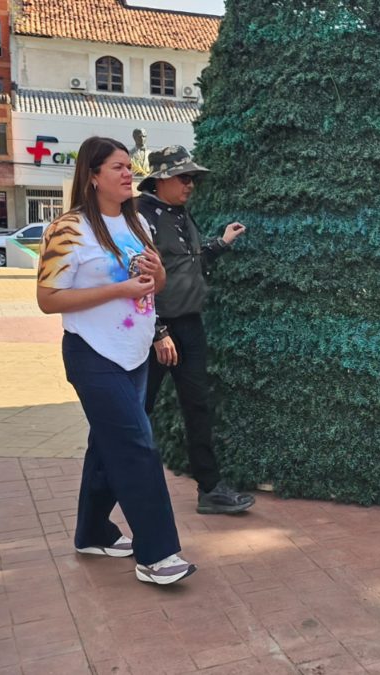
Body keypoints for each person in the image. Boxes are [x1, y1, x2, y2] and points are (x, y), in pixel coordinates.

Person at [36, 136, 196, 585]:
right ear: (92, 176)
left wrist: (156, 276)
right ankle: (157, 554)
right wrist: (120, 290)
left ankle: (92, 532)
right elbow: (48, 300)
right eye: (118, 167)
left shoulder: (136, 224)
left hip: (135, 354)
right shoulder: (68, 229)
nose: (129, 174)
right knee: (137, 448)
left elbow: (154, 284)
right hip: (92, 354)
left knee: (107, 446)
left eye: (130, 166)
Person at [136, 145, 252, 514]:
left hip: (188, 326)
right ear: (161, 179)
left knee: (198, 406)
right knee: (138, 409)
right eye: (184, 177)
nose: (191, 185)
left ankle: (210, 488)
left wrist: (221, 242)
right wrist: (157, 331)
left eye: (192, 178)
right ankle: (117, 486)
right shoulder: (139, 218)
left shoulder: (181, 214)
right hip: (157, 331)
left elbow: (190, 262)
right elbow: (136, 278)